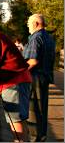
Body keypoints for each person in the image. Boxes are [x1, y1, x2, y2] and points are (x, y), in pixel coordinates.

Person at [23, 14, 56, 142]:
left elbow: (33, 61)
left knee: (34, 110)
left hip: (36, 77)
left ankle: (35, 138)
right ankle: (42, 136)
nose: (28, 26)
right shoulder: (49, 37)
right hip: (45, 78)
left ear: (36, 24)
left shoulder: (36, 38)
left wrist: (18, 71)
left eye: (29, 24)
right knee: (42, 109)